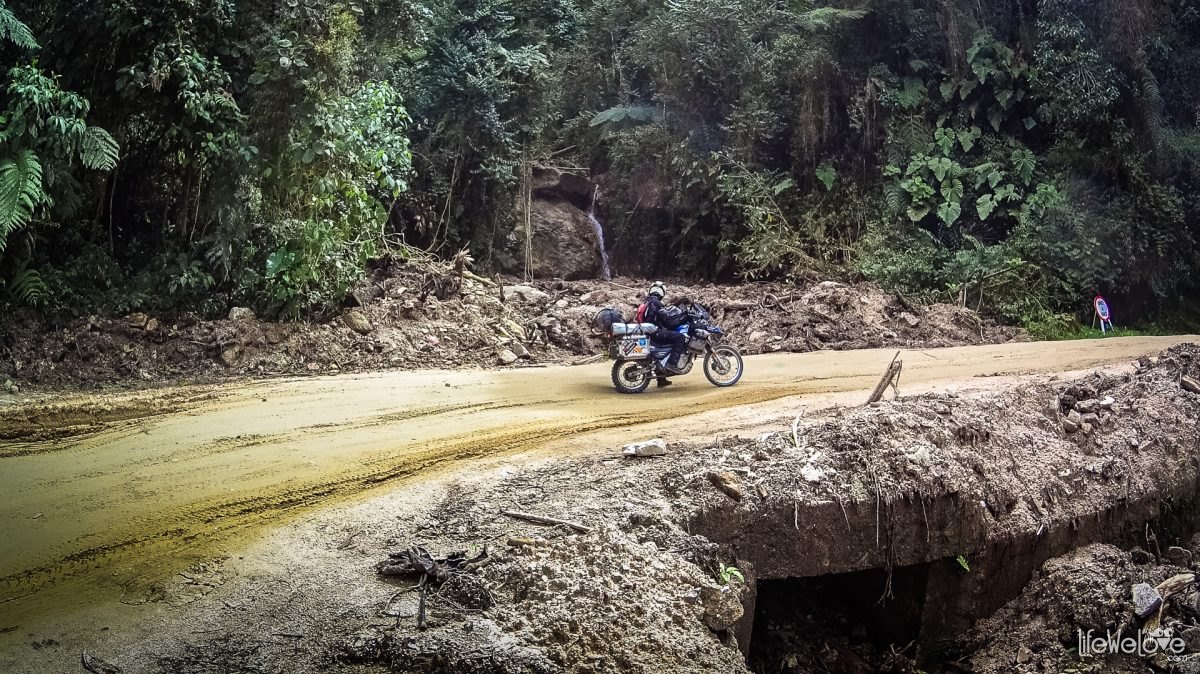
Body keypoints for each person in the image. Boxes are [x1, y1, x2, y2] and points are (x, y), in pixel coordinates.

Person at [640, 281, 688, 385]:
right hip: (655, 332)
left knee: (671, 336)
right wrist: (678, 319)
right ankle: (672, 364)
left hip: (650, 332)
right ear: (662, 292)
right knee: (680, 337)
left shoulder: (647, 301)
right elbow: (666, 318)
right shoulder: (656, 303)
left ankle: (661, 379)